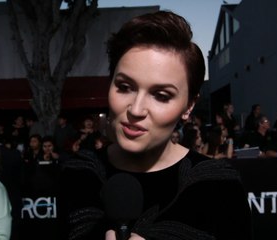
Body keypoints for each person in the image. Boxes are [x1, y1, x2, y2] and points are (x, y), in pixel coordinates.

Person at [60, 11, 252, 240]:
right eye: (124, 87)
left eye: (161, 95)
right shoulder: (80, 174)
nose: (136, 110)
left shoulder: (219, 185)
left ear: (189, 106)